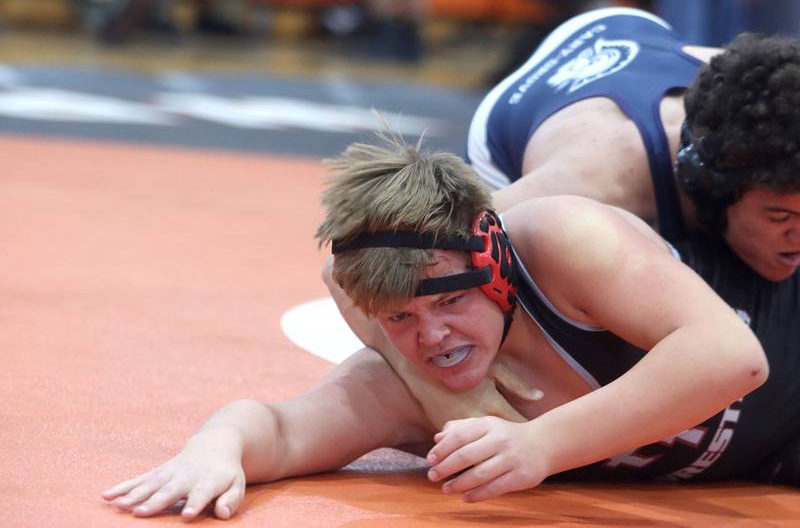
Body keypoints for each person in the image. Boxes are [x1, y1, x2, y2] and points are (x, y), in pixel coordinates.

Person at [104, 135, 800, 521]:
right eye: (400, 319)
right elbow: (281, 430)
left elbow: (731, 356)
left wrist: (540, 443)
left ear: (496, 272)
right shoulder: (406, 384)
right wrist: (214, 448)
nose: (432, 337)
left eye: (448, 305)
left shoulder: (563, 240)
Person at [467, 6, 800, 282]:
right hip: (519, 116)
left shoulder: (747, 89)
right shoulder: (599, 185)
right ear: (713, 189)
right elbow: (438, 236)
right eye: (780, 216)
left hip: (636, 34)